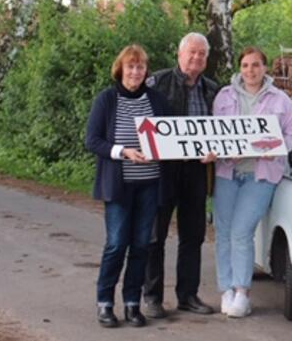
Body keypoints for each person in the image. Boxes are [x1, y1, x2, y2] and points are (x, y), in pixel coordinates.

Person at [209, 47, 292, 317]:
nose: (251, 70)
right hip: (227, 172)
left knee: (241, 231)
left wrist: (277, 147)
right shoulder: (224, 96)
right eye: (246, 65)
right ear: (240, 68)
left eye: (256, 65)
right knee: (223, 232)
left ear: (265, 68)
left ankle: (242, 292)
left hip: (260, 176)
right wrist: (213, 150)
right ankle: (225, 287)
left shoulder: (281, 100)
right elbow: (214, 131)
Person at [85, 45, 169, 328]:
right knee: (117, 244)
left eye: (141, 67)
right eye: (131, 67)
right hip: (119, 186)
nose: (135, 72)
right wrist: (123, 151)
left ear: (146, 71)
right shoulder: (106, 100)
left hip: (150, 185)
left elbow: (172, 136)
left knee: (142, 246)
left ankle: (133, 303)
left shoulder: (156, 100)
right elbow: (92, 140)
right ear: (120, 69)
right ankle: (105, 303)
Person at [143, 33, 220, 317]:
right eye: (192, 53)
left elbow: (223, 130)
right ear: (179, 54)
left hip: (196, 170)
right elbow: (140, 119)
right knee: (155, 235)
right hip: (163, 169)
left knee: (193, 235)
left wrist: (217, 150)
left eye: (201, 54)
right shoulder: (157, 83)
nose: (196, 58)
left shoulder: (212, 90)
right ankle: (152, 297)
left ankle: (188, 295)